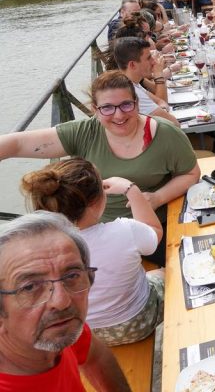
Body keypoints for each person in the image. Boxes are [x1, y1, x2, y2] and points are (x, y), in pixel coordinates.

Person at [0, 71, 200, 227]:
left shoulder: (166, 134)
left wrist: (157, 197)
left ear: (137, 104)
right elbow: (16, 144)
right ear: (95, 110)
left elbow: (191, 173)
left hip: (158, 225)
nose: (118, 115)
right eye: (107, 108)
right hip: (99, 230)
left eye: (126, 105)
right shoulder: (84, 132)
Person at [21, 158, 164, 347]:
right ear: (97, 201)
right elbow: (154, 233)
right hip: (139, 323)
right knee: (162, 273)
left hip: (85, 334)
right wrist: (131, 190)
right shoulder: (125, 230)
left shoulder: (39, 249)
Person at [0, 212, 131, 390]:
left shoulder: (58, 328)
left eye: (72, 275)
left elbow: (96, 356)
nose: (62, 301)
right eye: (30, 287)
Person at [112, 37, 179, 127]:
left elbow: (160, 101)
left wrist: (161, 109)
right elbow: (174, 124)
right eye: (148, 58)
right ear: (132, 65)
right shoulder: (131, 92)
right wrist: (159, 74)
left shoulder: (132, 83)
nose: (153, 61)